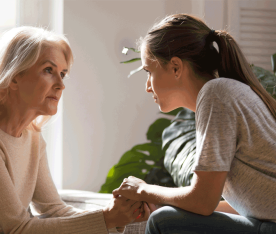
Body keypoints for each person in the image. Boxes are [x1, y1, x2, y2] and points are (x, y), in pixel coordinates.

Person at [0, 26, 151, 234]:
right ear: (14, 76)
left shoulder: (31, 135)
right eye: (48, 70)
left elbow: (54, 209)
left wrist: (120, 217)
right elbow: (18, 228)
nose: (60, 84)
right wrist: (107, 218)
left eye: (62, 74)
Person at [112, 14, 276, 234]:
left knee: (163, 221)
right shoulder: (226, 92)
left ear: (176, 67)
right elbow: (244, 207)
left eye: (149, 72)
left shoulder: (215, 95)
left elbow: (203, 201)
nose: (147, 87)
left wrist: (144, 190)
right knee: (166, 215)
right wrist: (167, 202)